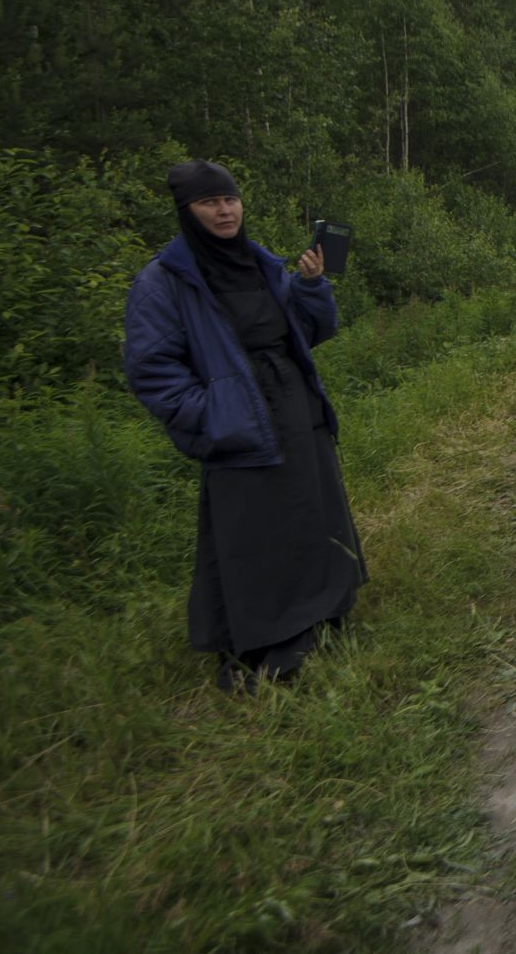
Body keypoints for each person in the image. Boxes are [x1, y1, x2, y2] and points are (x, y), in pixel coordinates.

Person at [123, 160, 366, 690]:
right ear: (187, 211)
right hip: (238, 421)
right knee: (253, 532)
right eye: (210, 202)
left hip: (295, 407)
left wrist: (310, 286)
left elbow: (304, 332)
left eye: (230, 199)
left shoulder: (259, 264)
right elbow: (151, 371)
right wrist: (211, 416)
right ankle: (266, 642)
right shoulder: (164, 281)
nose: (225, 210)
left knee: (310, 508)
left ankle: (320, 614)